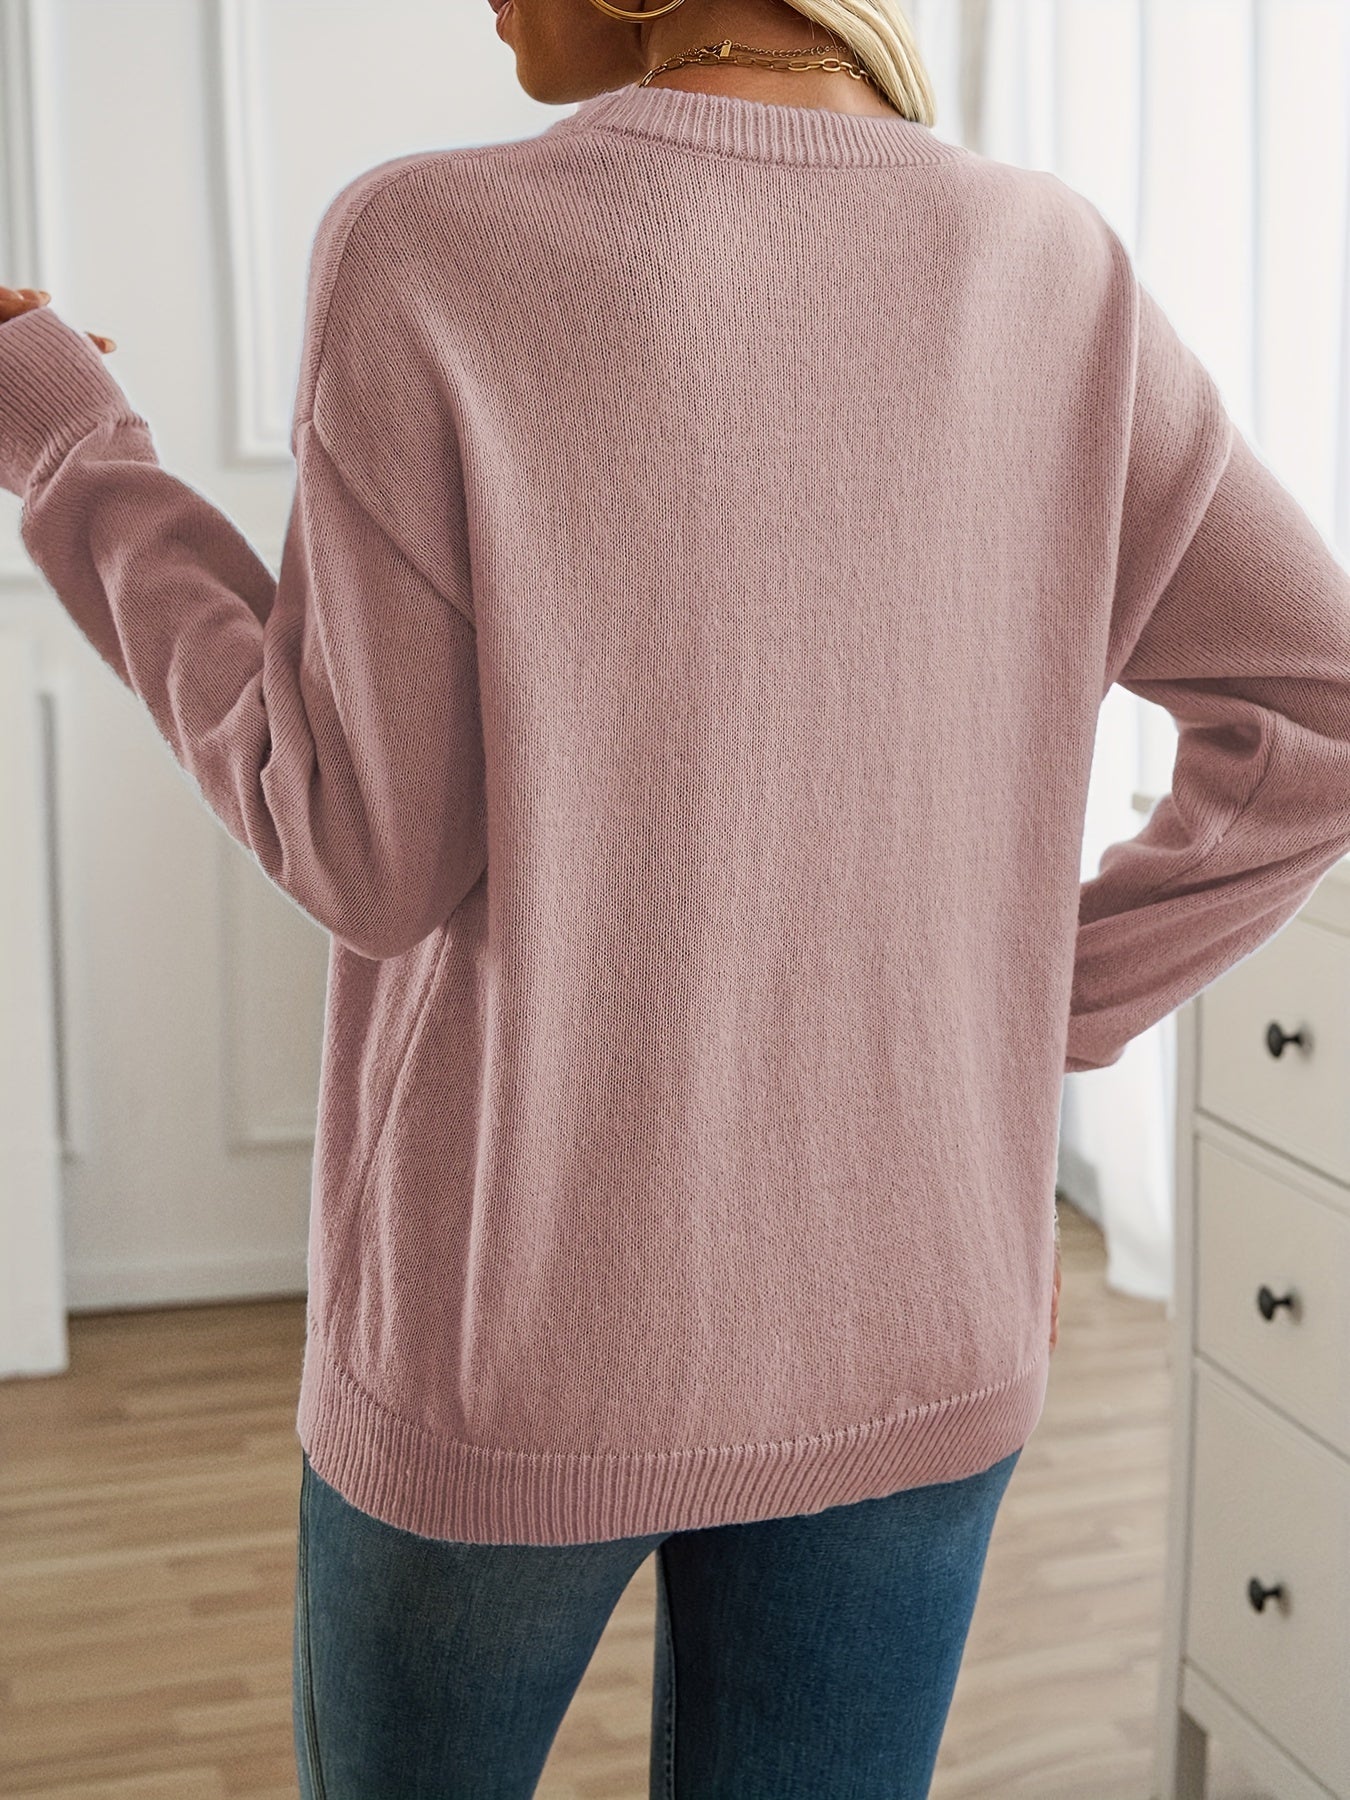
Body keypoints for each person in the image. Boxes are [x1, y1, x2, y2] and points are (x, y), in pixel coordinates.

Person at [2, 0, 1348, 1793]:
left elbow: (360, 851)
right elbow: (1316, 716)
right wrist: (1024, 1006)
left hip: (522, 1327)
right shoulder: (1053, 266)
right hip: (915, 1315)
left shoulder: (429, 240)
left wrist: (77, 458)